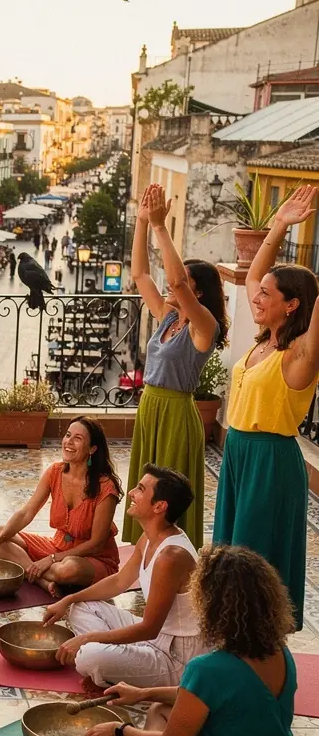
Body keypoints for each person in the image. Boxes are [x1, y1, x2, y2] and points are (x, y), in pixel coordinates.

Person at [72, 544, 306, 736]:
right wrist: (145, 693)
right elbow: (221, 700)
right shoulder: (281, 653)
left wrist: (119, 730)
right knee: (160, 707)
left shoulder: (209, 668)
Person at [213, 184, 319, 629]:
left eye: (267, 295)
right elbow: (253, 274)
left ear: (292, 305)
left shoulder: (298, 356)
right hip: (237, 453)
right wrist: (278, 224)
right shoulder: (262, 343)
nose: (255, 297)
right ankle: (230, 631)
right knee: (229, 550)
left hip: (270, 461)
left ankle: (255, 641)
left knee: (254, 556)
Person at [124, 185, 228, 549]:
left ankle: (170, 559)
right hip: (151, 407)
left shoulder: (204, 328)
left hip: (175, 413)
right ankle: (142, 557)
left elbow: (174, 280)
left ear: (197, 293)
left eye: (184, 281)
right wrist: (141, 222)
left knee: (164, 498)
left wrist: (160, 227)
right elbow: (140, 275)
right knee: (144, 491)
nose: (172, 279)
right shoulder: (170, 318)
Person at [44, 465, 203, 689]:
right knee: (81, 606)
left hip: (176, 657)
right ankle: (118, 658)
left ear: (159, 506)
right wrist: (68, 599)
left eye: (140, 489)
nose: (131, 493)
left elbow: (149, 628)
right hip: (155, 638)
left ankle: (108, 659)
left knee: (89, 656)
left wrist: (87, 638)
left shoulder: (171, 556)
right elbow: (120, 582)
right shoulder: (150, 537)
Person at [0, 418, 122, 596]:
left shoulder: (105, 487)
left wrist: (51, 559)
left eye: (77, 438)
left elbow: (96, 544)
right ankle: (40, 579)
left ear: (92, 449)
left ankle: (33, 569)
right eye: (68, 435)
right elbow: (26, 513)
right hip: (58, 547)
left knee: (67, 570)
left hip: (92, 558)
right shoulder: (55, 471)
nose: (68, 442)